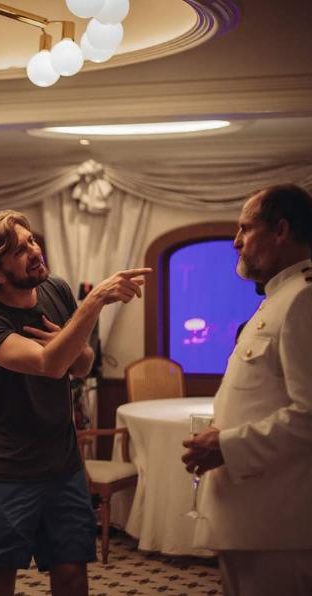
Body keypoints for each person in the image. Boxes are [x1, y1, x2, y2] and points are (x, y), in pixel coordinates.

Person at [0, 210, 150, 596]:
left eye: (31, 240)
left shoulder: (56, 290)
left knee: (72, 573)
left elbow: (82, 364)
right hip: (5, 468)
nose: (35, 250)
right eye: (19, 250)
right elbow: (49, 365)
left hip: (63, 464)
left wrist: (67, 341)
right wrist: (95, 299)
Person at [182, 184, 312, 596]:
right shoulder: (280, 297)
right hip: (253, 516)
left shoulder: (304, 299)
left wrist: (227, 445)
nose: (236, 241)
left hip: (279, 523)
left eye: (245, 228)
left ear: (281, 230)